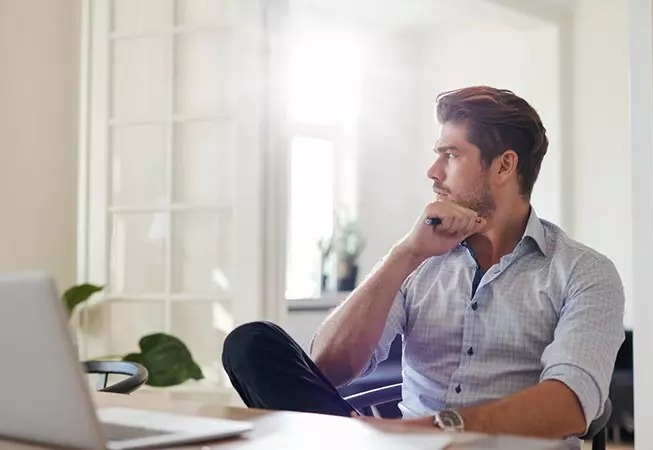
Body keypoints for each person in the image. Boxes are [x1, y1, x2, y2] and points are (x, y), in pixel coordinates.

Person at [221, 86, 625, 447]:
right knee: (251, 343)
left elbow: (570, 404)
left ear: (503, 166)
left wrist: (426, 431)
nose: (433, 172)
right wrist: (406, 255)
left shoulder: (583, 272)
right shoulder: (418, 258)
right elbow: (328, 368)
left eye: (450, 155)